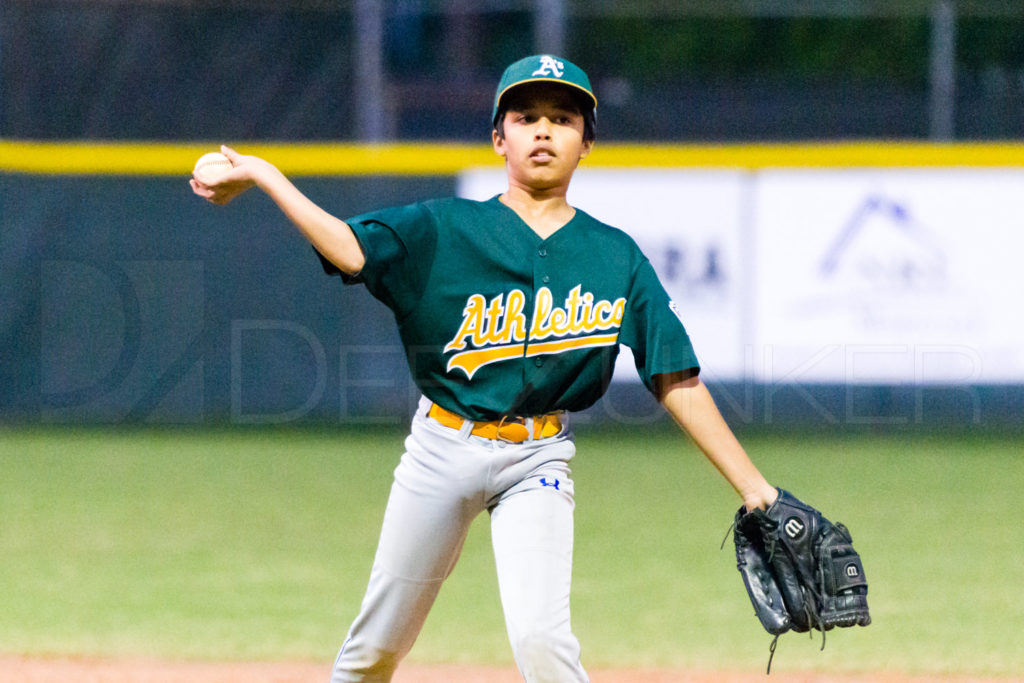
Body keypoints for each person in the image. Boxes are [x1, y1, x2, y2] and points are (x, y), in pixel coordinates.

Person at [192, 54, 778, 683]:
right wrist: (264, 175)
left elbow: (674, 377)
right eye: (526, 117)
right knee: (373, 654)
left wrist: (757, 490)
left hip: (538, 458)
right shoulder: (445, 229)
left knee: (544, 644)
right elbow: (350, 248)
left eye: (563, 118)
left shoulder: (616, 257)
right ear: (499, 137)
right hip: (442, 448)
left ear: (587, 142)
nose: (544, 131)